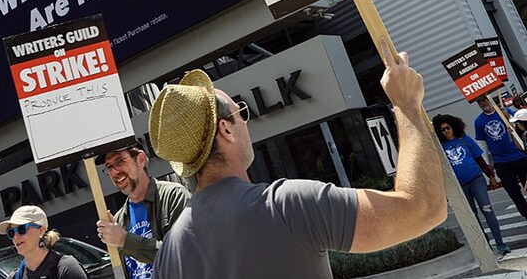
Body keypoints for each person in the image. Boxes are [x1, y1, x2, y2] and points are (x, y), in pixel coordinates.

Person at [149, 41, 447, 278]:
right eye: (240, 112)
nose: (246, 122)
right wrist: (406, 104)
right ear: (225, 130)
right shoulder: (285, 205)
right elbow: (422, 208)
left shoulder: (167, 258)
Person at [93, 143, 190, 279]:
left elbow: (183, 255)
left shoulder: (173, 196)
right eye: (109, 167)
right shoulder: (119, 220)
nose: (114, 172)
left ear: (141, 159)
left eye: (119, 161)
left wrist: (125, 240)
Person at [433, 113, 510, 255]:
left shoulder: (465, 140)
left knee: (488, 211)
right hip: (460, 187)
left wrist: (491, 177)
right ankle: (485, 246)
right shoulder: (440, 148)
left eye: (447, 128)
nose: (446, 131)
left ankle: (500, 244)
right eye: (442, 130)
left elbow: (479, 159)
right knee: (473, 216)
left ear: (453, 126)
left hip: (476, 180)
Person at [0, 205, 87, 279]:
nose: (16, 236)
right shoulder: (15, 277)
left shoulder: (66, 267)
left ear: (41, 231)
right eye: (11, 232)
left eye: (21, 229)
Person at [475, 97, 527, 220]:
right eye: (480, 101)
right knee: (513, 192)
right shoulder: (479, 121)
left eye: (485, 100)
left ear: (490, 100)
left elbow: (521, 128)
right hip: (501, 162)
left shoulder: (505, 112)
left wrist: (509, 120)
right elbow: (482, 143)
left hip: (519, 156)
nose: (483, 103)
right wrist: (488, 164)